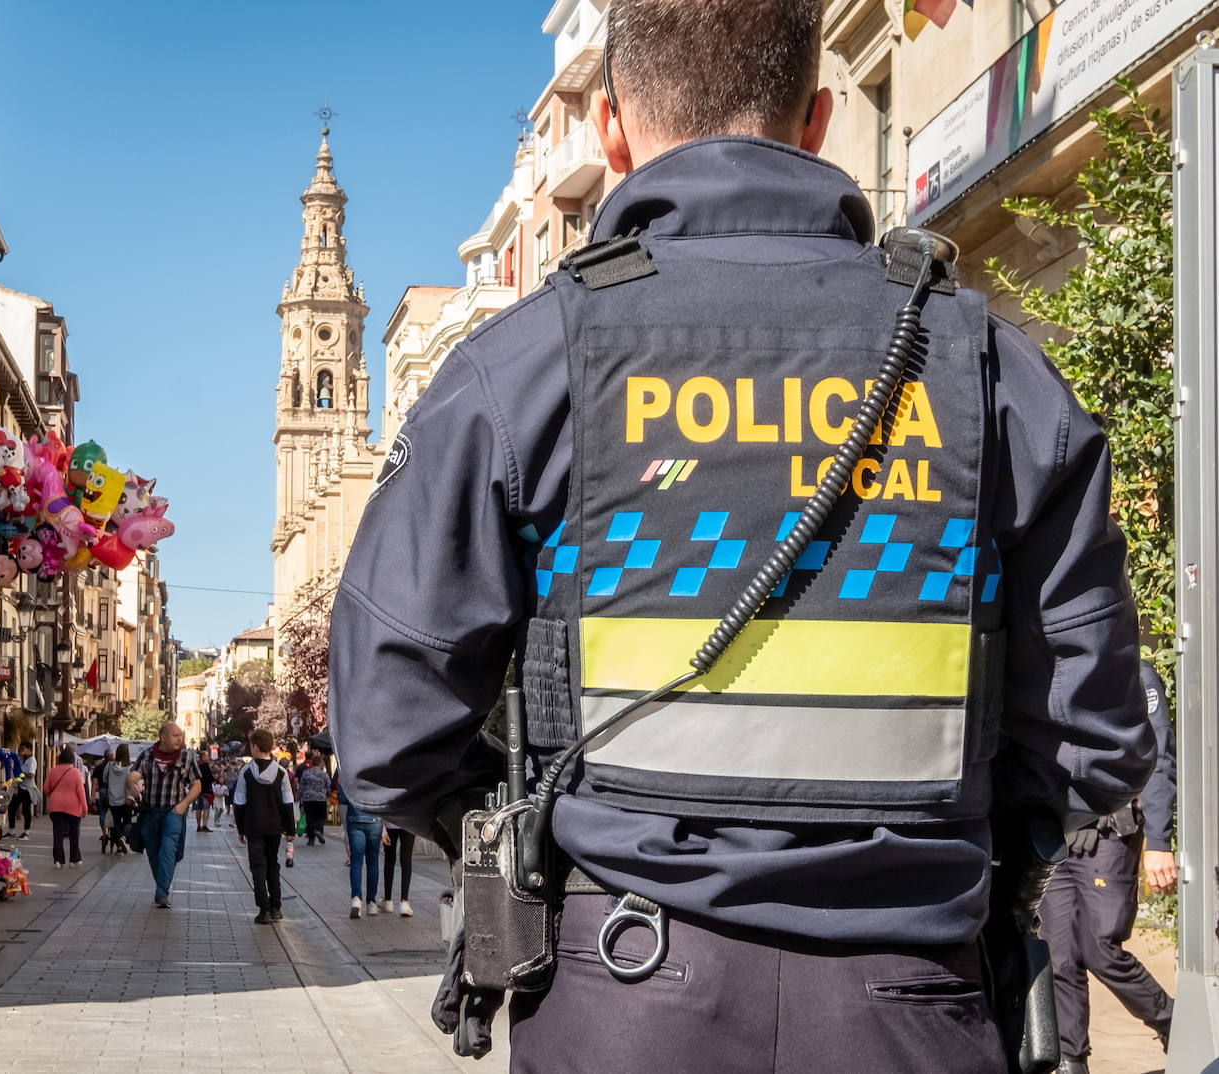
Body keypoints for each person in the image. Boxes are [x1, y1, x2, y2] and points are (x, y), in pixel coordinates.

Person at [328, 2, 1158, 1070]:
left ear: (614, 130)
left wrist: (535, 820)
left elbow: (388, 731)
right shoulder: (985, 364)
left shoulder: (523, 369)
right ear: (815, 120)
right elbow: (1096, 734)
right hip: (916, 1000)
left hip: (620, 996)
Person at [1039, 659, 1177, 1073]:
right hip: (1053, 832)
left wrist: (1157, 842)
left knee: (1101, 948)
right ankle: (1071, 1060)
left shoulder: (1137, 675)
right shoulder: (1050, 669)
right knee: (1058, 953)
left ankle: (1171, 1020)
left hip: (1109, 833)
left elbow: (1159, 762)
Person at [130, 723, 199, 907]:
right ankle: (162, 885)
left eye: (180, 735)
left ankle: (161, 893)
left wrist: (184, 804)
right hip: (150, 812)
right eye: (175, 735)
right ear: (163, 737)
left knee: (168, 851)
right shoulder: (147, 755)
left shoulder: (186, 757)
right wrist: (132, 785)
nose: (180, 739)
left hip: (173, 812)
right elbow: (134, 775)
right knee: (154, 853)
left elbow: (196, 785)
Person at [232, 729, 296, 924]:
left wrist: (241, 828)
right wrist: (290, 829)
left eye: (251, 745)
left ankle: (264, 909)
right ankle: (276, 907)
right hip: (274, 826)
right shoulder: (281, 772)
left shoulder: (246, 772)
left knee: (257, 867)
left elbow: (239, 801)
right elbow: (287, 802)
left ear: (256, 747)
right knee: (272, 864)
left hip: (253, 826)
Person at [338, 784, 381, 919]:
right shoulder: (378, 773)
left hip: (355, 819)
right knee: (373, 861)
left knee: (356, 861)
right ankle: (372, 902)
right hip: (375, 820)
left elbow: (342, 797)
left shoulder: (351, 771)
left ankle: (356, 899)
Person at [43, 746, 88, 869]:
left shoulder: (52, 771)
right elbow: (81, 791)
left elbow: (46, 788)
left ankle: (58, 860)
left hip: (56, 806)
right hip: (73, 808)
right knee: (74, 834)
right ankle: (74, 859)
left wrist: (54, 795)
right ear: (72, 759)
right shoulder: (75, 772)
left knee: (58, 833)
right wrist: (84, 807)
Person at [380, 822, 415, 917]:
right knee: (406, 859)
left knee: (389, 859)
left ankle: (387, 901)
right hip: (409, 821)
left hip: (390, 820)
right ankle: (404, 902)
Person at [296, 751, 331, 846]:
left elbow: (301, 787)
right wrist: (328, 794)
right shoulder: (324, 774)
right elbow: (328, 786)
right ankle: (318, 830)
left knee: (310, 818)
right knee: (321, 816)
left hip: (308, 799)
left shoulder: (306, 773)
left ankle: (311, 839)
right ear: (320, 763)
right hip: (320, 799)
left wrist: (298, 797)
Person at [105, 743, 134, 854]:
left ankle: (119, 846)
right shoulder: (130, 768)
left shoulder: (109, 766)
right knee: (127, 822)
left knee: (116, 823)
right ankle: (124, 837)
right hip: (126, 799)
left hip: (113, 799)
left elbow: (104, 778)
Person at [5, 740, 37, 840]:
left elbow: (31, 775)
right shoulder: (22, 759)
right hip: (20, 788)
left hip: (27, 789)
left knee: (26, 810)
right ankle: (11, 832)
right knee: (11, 808)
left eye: (23, 749)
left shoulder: (32, 760)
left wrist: (20, 774)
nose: (20, 751)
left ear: (29, 750)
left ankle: (26, 832)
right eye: (20, 749)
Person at [91, 748, 114, 853]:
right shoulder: (114, 767)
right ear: (112, 756)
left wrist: (92, 799)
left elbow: (94, 784)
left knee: (103, 812)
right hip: (114, 793)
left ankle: (104, 833)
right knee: (115, 812)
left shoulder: (98, 768)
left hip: (103, 791)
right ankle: (114, 833)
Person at [193, 749, 216, 833]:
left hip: (196, 790)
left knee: (198, 809)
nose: (208, 757)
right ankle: (204, 825)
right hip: (206, 791)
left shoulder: (196, 765)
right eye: (207, 756)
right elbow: (210, 778)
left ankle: (198, 826)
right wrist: (215, 779)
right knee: (206, 808)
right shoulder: (205, 766)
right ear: (202, 757)